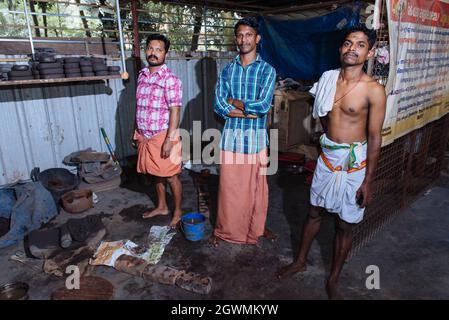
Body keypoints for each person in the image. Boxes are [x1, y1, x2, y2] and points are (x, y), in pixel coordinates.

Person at [276, 25, 386, 299]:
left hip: (353, 166)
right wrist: (326, 140)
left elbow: (374, 138)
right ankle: (300, 261)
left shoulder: (374, 91)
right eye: (348, 43)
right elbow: (322, 114)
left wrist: (368, 181)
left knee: (344, 225)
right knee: (313, 212)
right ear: (341, 48)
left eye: (360, 45)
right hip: (327, 159)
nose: (352, 48)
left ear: (370, 52)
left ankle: (333, 279)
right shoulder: (327, 78)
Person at [209, 18, 276, 246]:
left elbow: (263, 107)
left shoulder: (268, 71)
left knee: (257, 190)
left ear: (257, 39)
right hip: (232, 139)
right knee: (229, 191)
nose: (243, 39)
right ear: (235, 39)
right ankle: (226, 230)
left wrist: (235, 103)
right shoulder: (227, 71)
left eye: (248, 35)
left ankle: (254, 230)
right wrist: (246, 110)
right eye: (239, 35)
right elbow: (219, 105)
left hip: (256, 140)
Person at [132, 34, 183, 228]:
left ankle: (178, 211)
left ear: (166, 54)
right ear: (146, 50)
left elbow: (175, 110)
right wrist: (135, 130)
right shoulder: (142, 75)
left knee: (171, 176)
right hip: (145, 135)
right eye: (150, 48)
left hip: (163, 135)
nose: (153, 53)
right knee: (156, 173)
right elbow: (139, 106)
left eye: (159, 49)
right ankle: (162, 206)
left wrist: (169, 140)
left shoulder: (170, 80)